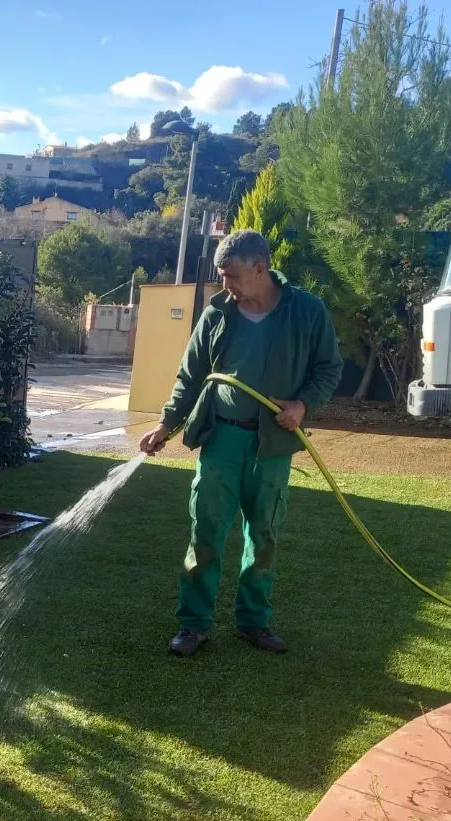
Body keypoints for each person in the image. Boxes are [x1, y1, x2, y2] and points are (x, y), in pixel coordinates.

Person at [138, 229, 342, 657]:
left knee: (263, 534)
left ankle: (254, 622)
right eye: (221, 276)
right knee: (206, 531)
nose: (225, 285)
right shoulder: (216, 315)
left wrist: (303, 405)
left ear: (259, 268)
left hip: (273, 444)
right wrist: (165, 425)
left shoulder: (306, 311)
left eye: (230, 276)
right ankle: (192, 624)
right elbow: (190, 377)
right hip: (223, 439)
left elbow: (328, 368)